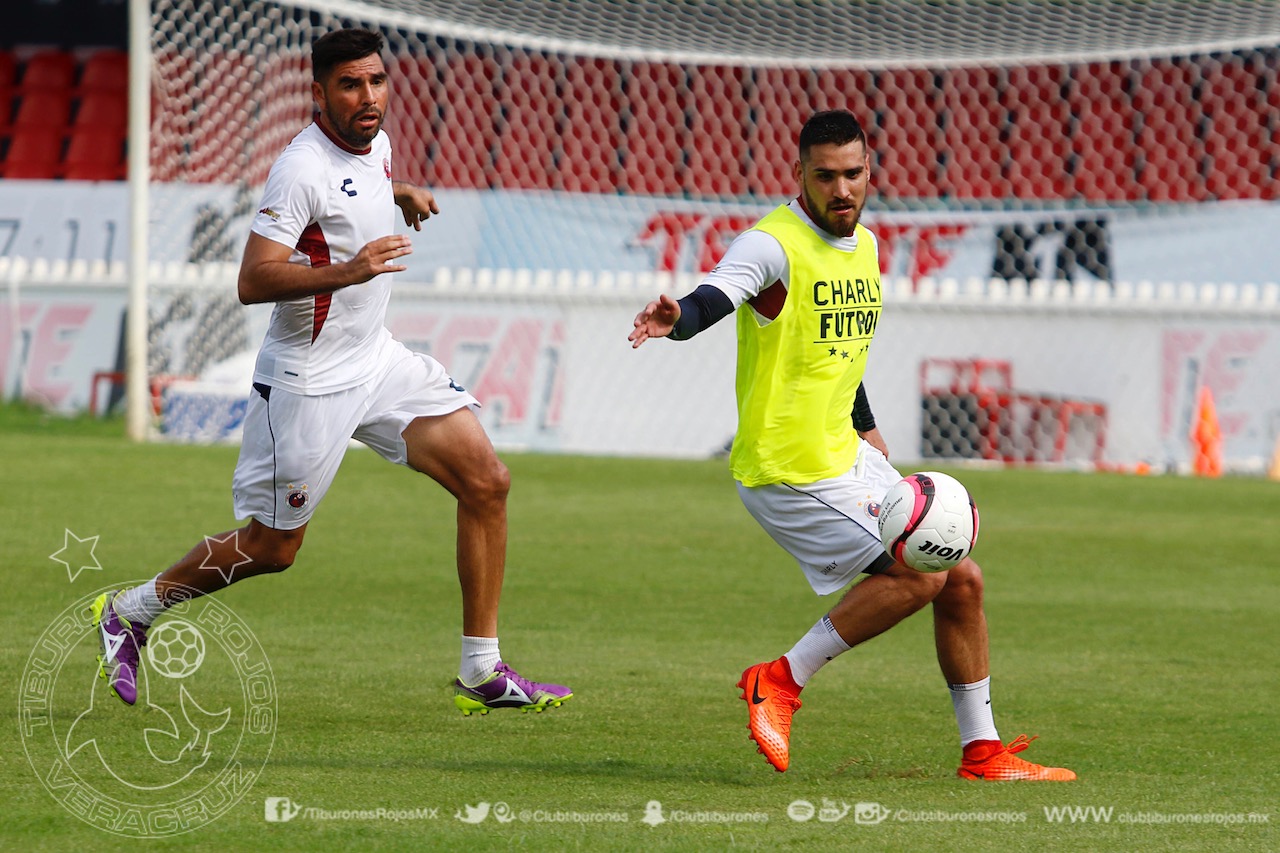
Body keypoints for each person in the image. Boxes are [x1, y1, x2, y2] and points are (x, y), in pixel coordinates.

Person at [93, 28, 571, 717]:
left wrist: (398, 192)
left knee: (487, 481)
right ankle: (132, 610)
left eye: (376, 81)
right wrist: (349, 269)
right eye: (350, 85)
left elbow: (359, 189)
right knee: (272, 547)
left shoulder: (372, 141)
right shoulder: (300, 168)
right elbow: (253, 279)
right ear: (318, 93)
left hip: (374, 359)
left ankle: (482, 669)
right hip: (308, 380)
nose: (368, 96)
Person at [629, 109, 1073, 781]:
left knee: (962, 577)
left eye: (852, 174)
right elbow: (715, 296)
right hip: (788, 469)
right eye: (825, 176)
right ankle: (780, 679)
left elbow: (838, 350)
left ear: (871, 170)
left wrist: (865, 427)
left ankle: (982, 751)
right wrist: (679, 319)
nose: (841, 189)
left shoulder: (864, 246)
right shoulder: (771, 244)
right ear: (799, 175)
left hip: (844, 452)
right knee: (921, 575)